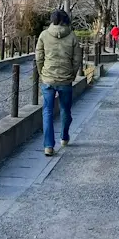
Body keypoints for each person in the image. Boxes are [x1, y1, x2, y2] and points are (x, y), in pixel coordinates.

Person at [36, 9, 83, 157]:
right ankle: (64, 137)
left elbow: (39, 57)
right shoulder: (72, 36)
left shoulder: (44, 35)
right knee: (65, 110)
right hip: (65, 79)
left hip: (48, 79)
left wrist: (41, 73)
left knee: (47, 112)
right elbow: (77, 60)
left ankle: (48, 146)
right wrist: (72, 74)